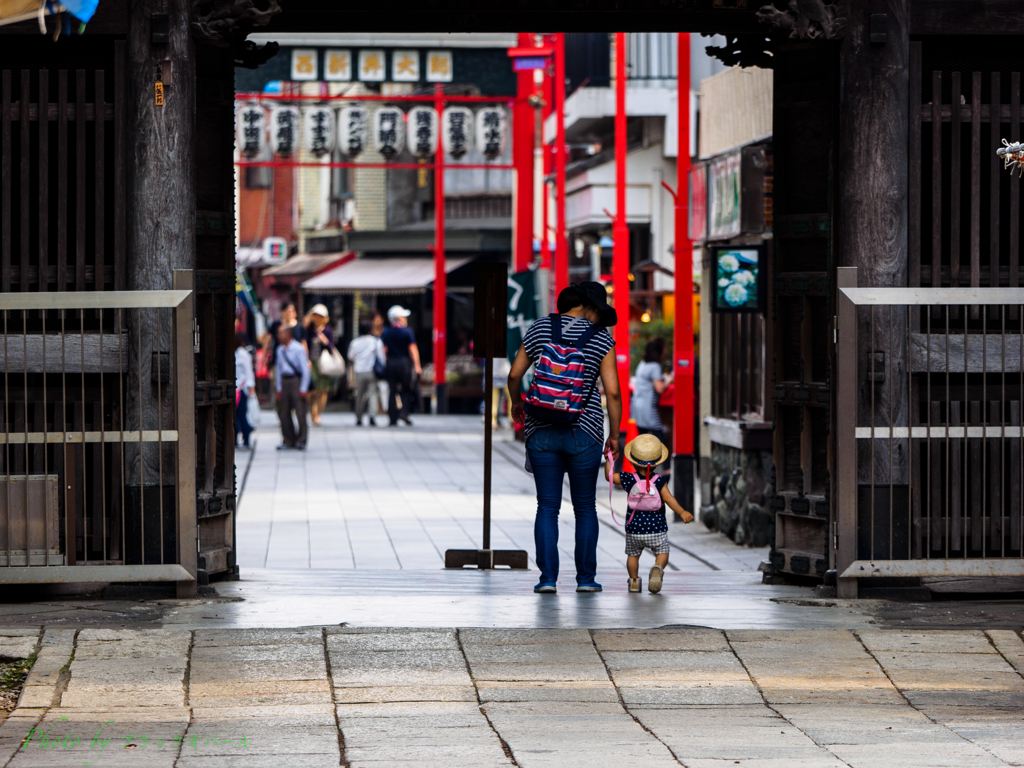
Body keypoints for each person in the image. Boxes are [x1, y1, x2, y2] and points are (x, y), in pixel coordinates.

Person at [508, 282, 622, 594]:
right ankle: (585, 579)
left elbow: (515, 374)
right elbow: (612, 392)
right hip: (584, 431)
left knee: (547, 507)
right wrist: (615, 435)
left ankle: (547, 580)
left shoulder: (540, 327)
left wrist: (517, 402)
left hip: (541, 429)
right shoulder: (601, 339)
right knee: (585, 507)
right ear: (589, 306)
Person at [605, 434, 693, 594]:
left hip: (634, 529)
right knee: (663, 552)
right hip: (657, 529)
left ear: (631, 461)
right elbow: (669, 499)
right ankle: (658, 567)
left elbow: (609, 477)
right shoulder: (660, 481)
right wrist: (682, 512)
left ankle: (633, 582)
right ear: (657, 464)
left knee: (633, 556)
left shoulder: (628, 479)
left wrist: (609, 459)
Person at [632, 337, 673, 472]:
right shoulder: (655, 366)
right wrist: (670, 379)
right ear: (659, 351)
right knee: (660, 438)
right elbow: (659, 388)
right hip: (648, 408)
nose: (666, 351)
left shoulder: (642, 364)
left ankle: (642, 472)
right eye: (664, 349)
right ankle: (667, 470)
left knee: (642, 439)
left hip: (637, 406)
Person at [381, 305, 421, 427]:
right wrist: (417, 365)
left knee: (392, 391)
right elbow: (413, 349)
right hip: (404, 363)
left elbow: (383, 350)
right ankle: (404, 412)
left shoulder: (387, 332)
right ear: (398, 318)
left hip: (391, 363)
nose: (405, 319)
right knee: (406, 389)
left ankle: (392, 418)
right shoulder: (407, 332)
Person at [275, 324, 310, 450]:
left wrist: (304, 388)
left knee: (300, 412)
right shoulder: (279, 350)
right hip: (284, 381)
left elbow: (305, 370)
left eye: (281, 333)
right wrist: (278, 388)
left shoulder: (298, 348)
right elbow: (278, 370)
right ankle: (288, 440)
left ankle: (301, 440)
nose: (278, 336)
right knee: (283, 412)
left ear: (288, 334)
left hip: (296, 380)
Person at [305, 304, 337, 427]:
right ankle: (313, 410)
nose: (318, 318)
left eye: (320, 316)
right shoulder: (309, 330)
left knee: (323, 390)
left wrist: (325, 341)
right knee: (312, 389)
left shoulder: (328, 331)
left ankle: (318, 413)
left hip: (325, 364)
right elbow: (305, 344)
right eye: (316, 316)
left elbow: (331, 347)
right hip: (311, 362)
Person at [348, 320, 384, 427]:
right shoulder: (375, 341)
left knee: (359, 395)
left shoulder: (355, 342)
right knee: (373, 394)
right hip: (371, 371)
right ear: (370, 330)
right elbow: (381, 357)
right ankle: (372, 417)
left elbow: (350, 356)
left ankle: (359, 418)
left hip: (359, 371)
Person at [263, 301, 307, 376]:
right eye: (288, 311)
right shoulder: (276, 325)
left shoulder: (299, 327)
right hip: (278, 360)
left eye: (292, 311)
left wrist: (306, 359)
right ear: (282, 312)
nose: (290, 313)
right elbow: (268, 340)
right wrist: (264, 356)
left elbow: (304, 344)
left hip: (295, 362)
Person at [235, 332, 256, 449]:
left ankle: (246, 439)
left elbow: (249, 372)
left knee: (242, 415)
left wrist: (251, 388)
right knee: (234, 416)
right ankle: (234, 440)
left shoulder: (243, 354)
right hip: (234, 388)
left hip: (242, 388)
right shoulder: (232, 354)